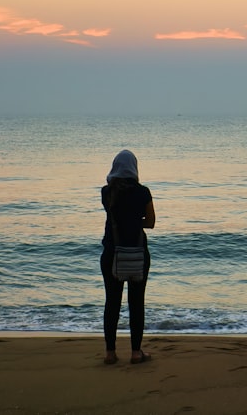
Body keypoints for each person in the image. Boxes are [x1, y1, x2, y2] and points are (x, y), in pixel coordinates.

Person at [100, 148, 156, 365]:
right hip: (137, 253)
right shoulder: (143, 192)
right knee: (136, 302)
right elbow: (150, 222)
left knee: (112, 302)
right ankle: (135, 352)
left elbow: (115, 214)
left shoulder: (106, 192)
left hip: (112, 253)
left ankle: (110, 353)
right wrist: (135, 223)